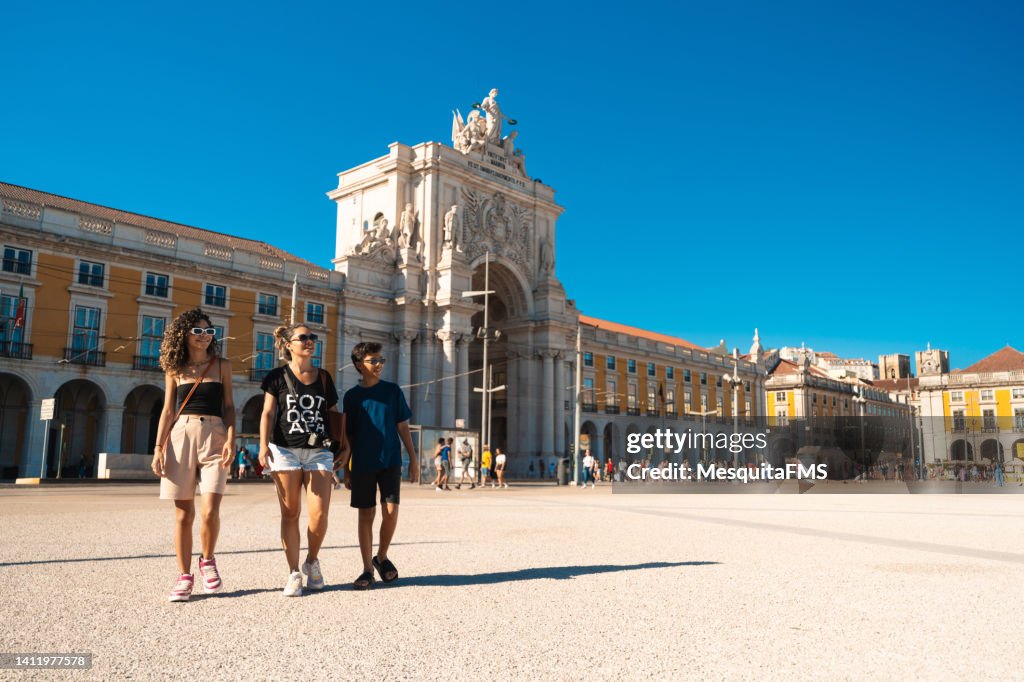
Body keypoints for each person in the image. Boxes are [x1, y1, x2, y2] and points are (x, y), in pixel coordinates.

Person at [151, 308, 235, 602]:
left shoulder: (222, 366)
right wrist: (158, 448)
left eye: (208, 332)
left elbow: (229, 406)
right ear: (184, 334)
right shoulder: (174, 369)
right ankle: (184, 575)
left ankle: (208, 561)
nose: (203, 337)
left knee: (211, 508)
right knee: (183, 513)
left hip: (215, 435)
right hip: (180, 437)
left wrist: (231, 439)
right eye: (197, 331)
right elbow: (168, 411)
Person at [259, 322, 347, 597]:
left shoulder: (323, 377)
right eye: (303, 338)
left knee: (319, 515)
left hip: (319, 450)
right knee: (290, 513)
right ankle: (294, 571)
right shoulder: (276, 376)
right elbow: (268, 413)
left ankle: (312, 561)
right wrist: (262, 445)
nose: (310, 341)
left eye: (312, 337)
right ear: (289, 345)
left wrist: (343, 446)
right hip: (284, 450)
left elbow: (334, 414)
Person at [343, 342, 417, 590]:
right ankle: (366, 569)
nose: (379, 365)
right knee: (366, 514)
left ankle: (381, 557)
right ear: (358, 364)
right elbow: (348, 437)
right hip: (363, 462)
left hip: (390, 460)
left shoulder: (393, 391)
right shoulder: (352, 397)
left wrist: (413, 460)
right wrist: (346, 469)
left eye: (381, 360)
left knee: (391, 511)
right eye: (373, 360)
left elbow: (402, 427)